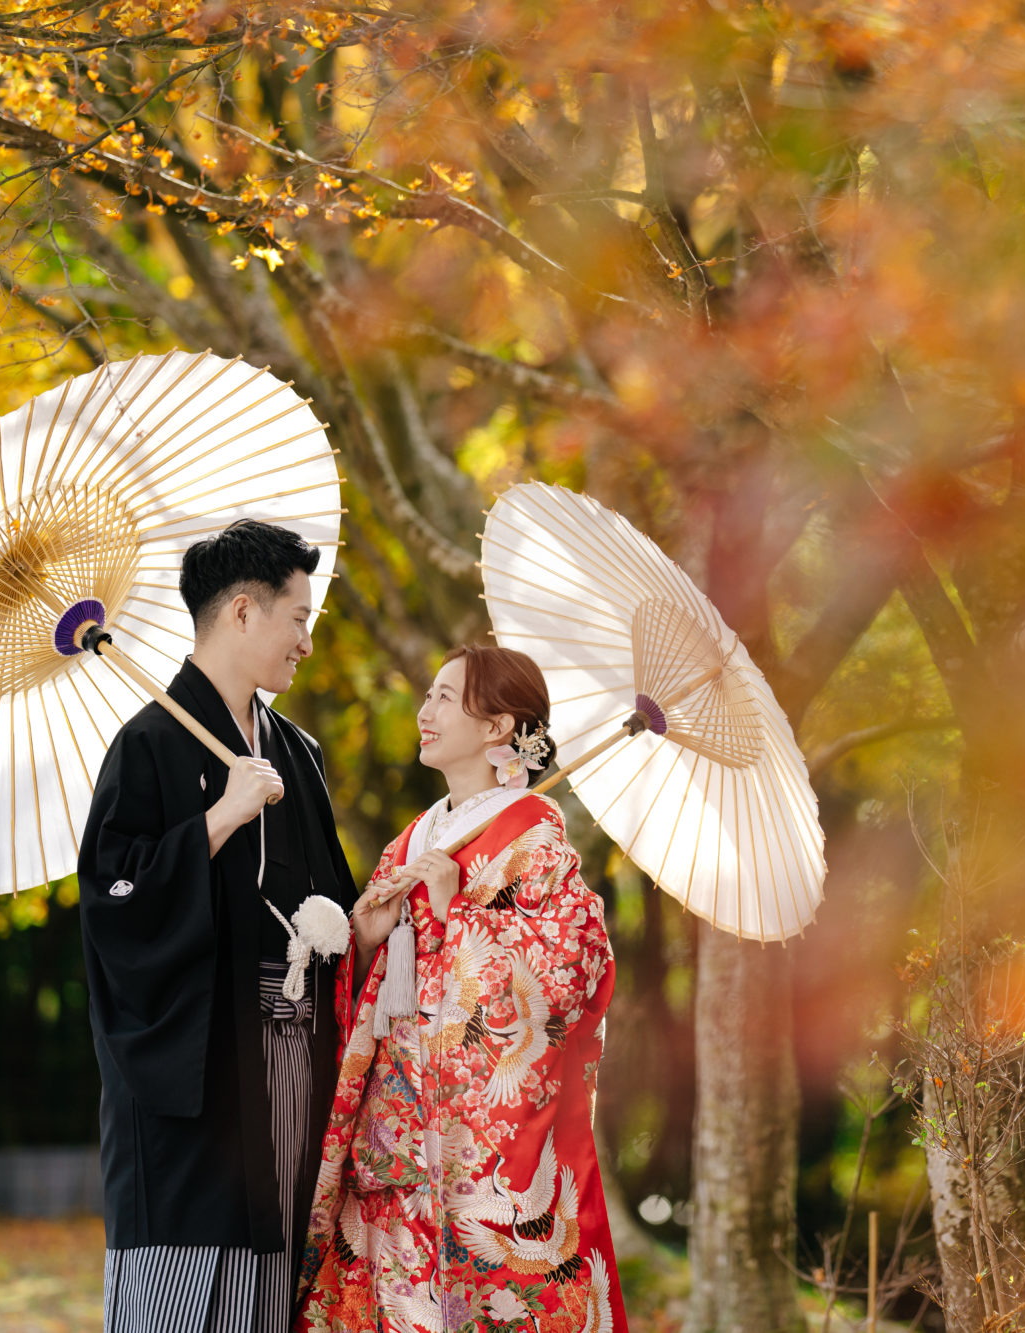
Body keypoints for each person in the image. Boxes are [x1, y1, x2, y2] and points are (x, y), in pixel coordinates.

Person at [296, 645, 626, 1333]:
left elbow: (574, 969)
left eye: (446, 697)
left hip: (484, 1155)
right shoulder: (413, 839)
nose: (424, 710)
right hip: (396, 1135)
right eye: (429, 693)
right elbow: (370, 986)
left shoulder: (536, 841)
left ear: (499, 726)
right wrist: (367, 935)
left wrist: (458, 915)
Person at [80, 519, 358, 1333]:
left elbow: (328, 900)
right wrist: (215, 819)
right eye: (298, 617)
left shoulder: (293, 751)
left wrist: (358, 919)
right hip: (200, 1072)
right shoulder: (148, 747)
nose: (308, 638)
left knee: (278, 1278)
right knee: (188, 1288)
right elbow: (111, 901)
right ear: (243, 611)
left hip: (293, 1063)